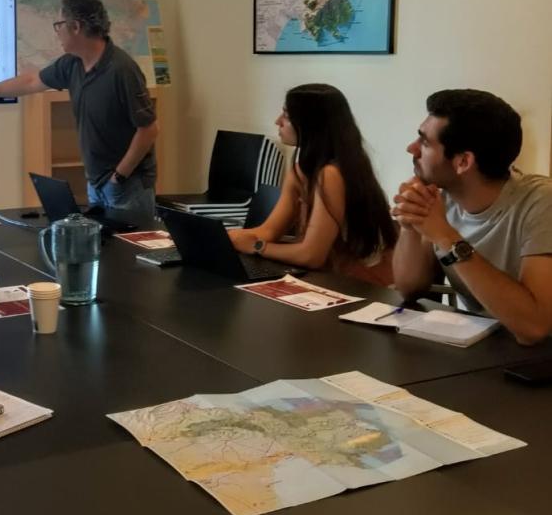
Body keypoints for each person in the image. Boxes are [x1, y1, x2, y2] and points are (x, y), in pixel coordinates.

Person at [0, 0, 158, 221]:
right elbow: (31, 82)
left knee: (129, 245)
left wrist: (118, 177)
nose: (57, 32)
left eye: (59, 25)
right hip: (97, 182)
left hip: (128, 186)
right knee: (102, 242)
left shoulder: (122, 70)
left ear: (76, 27)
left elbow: (149, 129)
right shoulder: (72, 64)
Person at [391, 89, 552, 344]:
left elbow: (534, 328)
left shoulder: (541, 203)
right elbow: (409, 288)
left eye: (425, 143)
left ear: (463, 162)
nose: (411, 149)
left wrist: (446, 238)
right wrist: (411, 224)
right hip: (486, 348)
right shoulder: (441, 199)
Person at [228, 83, 398, 285]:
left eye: (286, 116)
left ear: (310, 124)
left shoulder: (331, 174)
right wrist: (225, 237)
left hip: (362, 286)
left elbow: (311, 255)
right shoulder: (300, 171)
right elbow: (270, 231)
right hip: (330, 279)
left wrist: (257, 247)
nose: (278, 121)